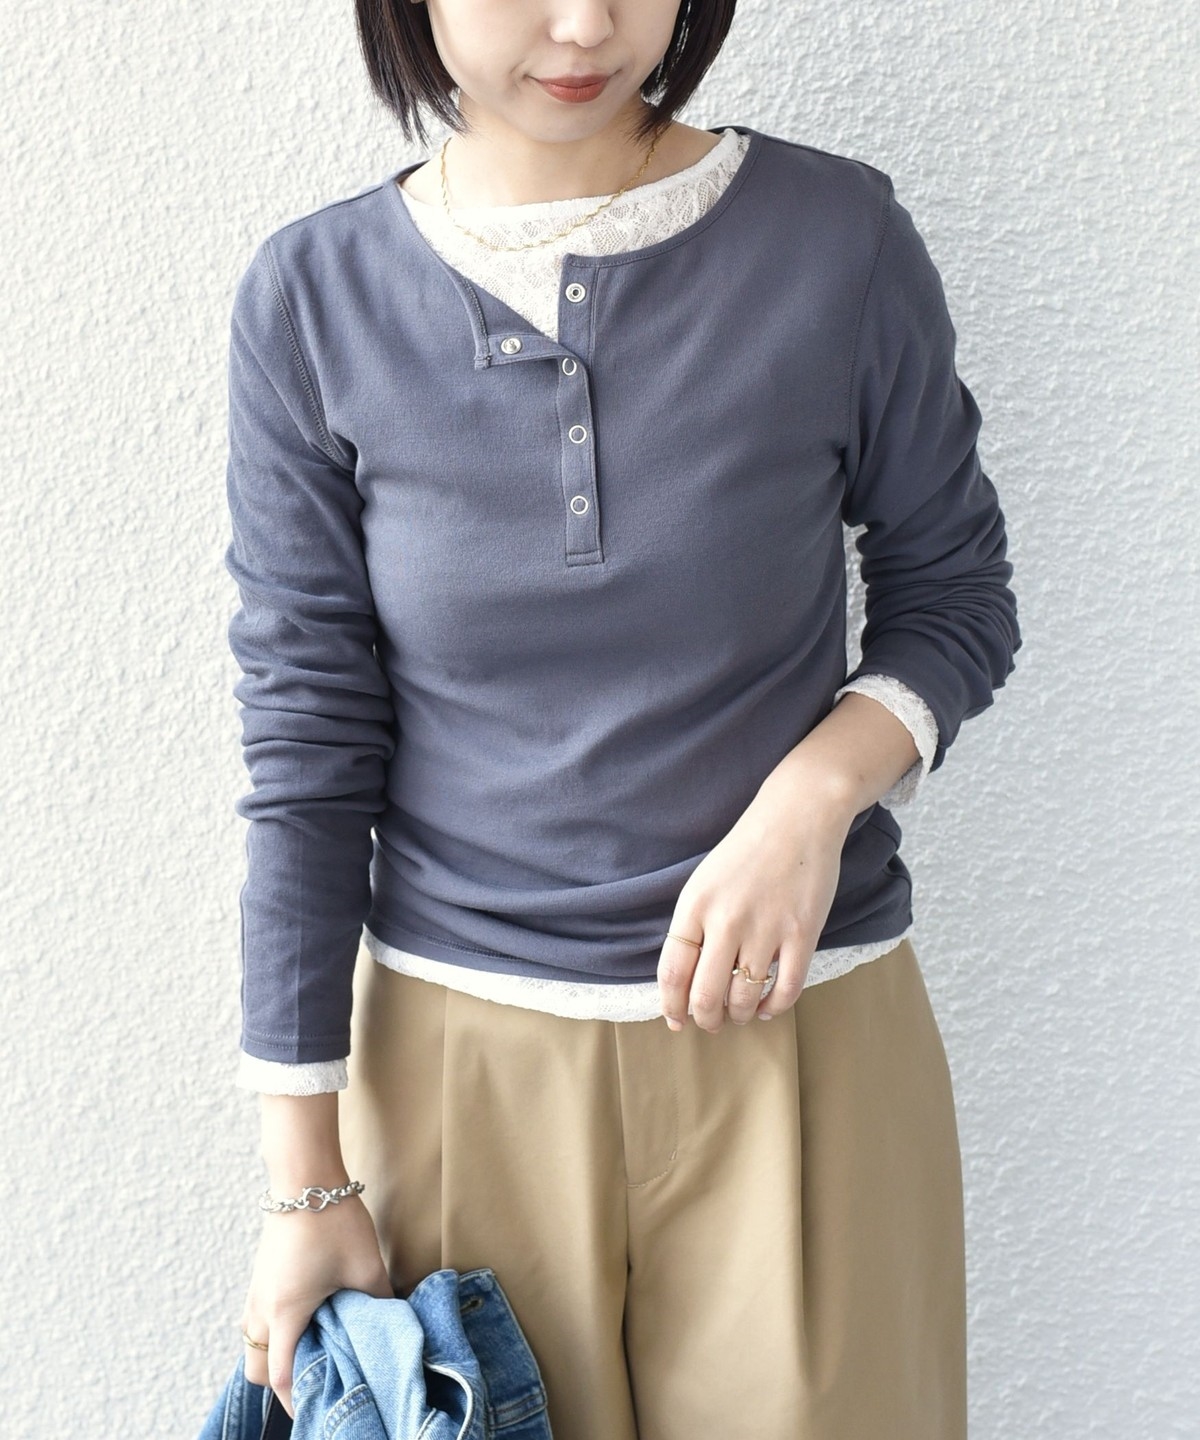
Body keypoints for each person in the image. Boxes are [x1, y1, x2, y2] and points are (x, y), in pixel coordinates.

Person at [221, 1, 1022, 1436]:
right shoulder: (313, 300)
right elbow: (307, 749)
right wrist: (306, 1183)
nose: (586, 24)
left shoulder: (836, 242)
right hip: (461, 1068)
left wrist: (812, 799)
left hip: (807, 1043)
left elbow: (954, 592)